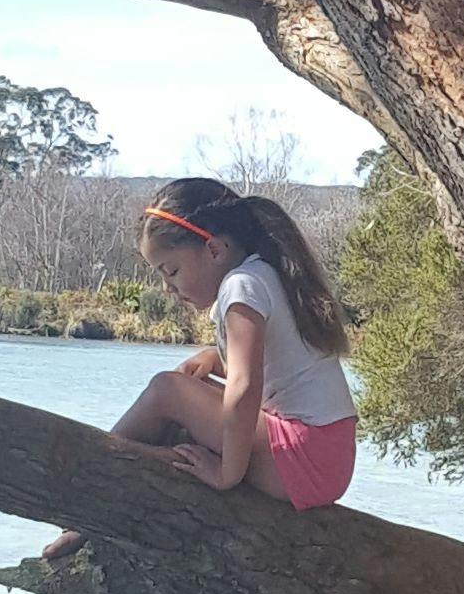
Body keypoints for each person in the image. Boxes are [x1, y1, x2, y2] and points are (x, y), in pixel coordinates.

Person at [112, 182, 359, 507]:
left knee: (166, 390)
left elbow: (244, 386)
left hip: (303, 458)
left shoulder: (240, 286)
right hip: (329, 458)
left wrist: (228, 473)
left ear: (214, 249)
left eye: (171, 271)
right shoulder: (266, 274)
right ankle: (101, 512)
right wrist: (216, 359)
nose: (168, 287)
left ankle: (86, 477)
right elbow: (276, 365)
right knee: (183, 418)